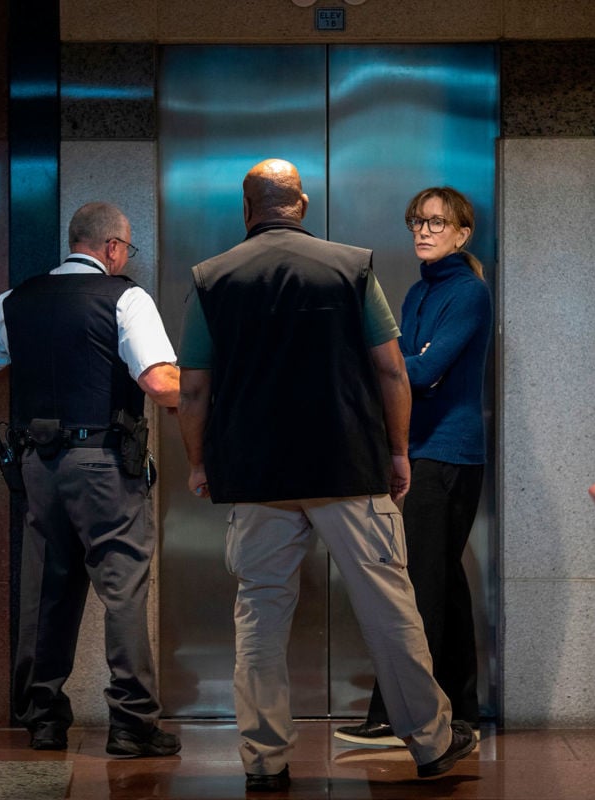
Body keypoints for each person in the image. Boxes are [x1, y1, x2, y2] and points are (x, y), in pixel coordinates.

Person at [176, 159, 477, 792]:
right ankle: (430, 742)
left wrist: (199, 462)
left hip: (256, 476)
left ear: (246, 207)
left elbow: (195, 387)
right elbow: (393, 371)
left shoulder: (211, 278)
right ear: (303, 205)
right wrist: (398, 454)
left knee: (259, 617)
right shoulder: (351, 267)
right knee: (391, 611)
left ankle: (264, 760)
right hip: (349, 467)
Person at [0, 202, 181, 757]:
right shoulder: (125, 297)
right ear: (114, 248)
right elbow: (160, 383)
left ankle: (45, 720)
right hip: (103, 464)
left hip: (38, 465)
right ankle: (131, 724)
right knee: (123, 589)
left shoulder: (18, 299)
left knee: (49, 589)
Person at [334, 186, 492, 746]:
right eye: (416, 222)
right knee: (442, 580)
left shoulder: (469, 292)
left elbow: (421, 374)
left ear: (461, 233)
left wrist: (398, 363)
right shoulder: (417, 294)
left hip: (448, 455)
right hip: (422, 449)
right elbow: (408, 368)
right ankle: (462, 711)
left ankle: (395, 716)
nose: (423, 231)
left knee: (418, 585)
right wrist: (404, 364)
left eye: (435, 222)